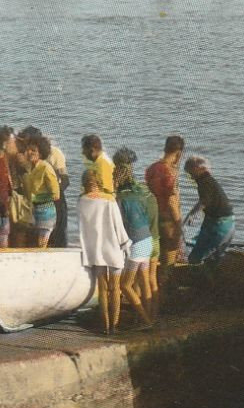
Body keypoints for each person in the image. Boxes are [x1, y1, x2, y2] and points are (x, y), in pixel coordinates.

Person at [77, 168, 132, 334]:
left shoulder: (81, 201)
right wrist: (126, 245)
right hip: (113, 248)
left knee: (102, 288)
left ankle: (105, 325)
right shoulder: (109, 200)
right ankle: (115, 326)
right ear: (99, 183)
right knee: (115, 288)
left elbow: (81, 229)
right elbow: (118, 226)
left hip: (95, 250)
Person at [114, 149, 161, 314]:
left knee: (131, 283)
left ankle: (144, 318)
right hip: (153, 238)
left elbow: (121, 223)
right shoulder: (144, 192)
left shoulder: (123, 196)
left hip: (140, 240)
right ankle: (152, 316)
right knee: (147, 281)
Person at [183, 155, 235, 267]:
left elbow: (204, 201)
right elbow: (204, 200)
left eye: (191, 173)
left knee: (203, 256)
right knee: (203, 255)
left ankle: (199, 273)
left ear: (197, 169)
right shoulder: (207, 180)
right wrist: (191, 214)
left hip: (220, 222)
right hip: (219, 220)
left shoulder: (204, 181)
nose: (191, 177)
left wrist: (192, 215)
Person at [145, 135, 185, 271]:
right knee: (168, 266)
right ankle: (165, 289)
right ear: (179, 153)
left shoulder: (151, 169)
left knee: (154, 265)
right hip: (168, 222)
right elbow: (171, 200)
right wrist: (179, 223)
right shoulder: (171, 172)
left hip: (153, 219)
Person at [19, 135, 60, 247]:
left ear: (41, 153)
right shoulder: (29, 168)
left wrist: (35, 198)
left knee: (41, 246)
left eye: (34, 150)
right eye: (28, 149)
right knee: (32, 245)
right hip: (33, 212)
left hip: (46, 213)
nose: (29, 152)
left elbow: (56, 195)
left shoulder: (46, 168)